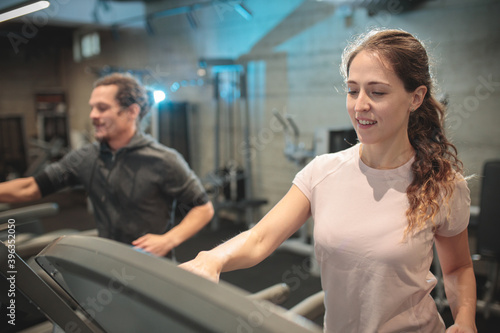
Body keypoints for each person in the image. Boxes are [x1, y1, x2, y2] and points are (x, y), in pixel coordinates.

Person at [179, 29, 477, 333]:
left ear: (415, 97)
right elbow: (259, 239)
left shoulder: (442, 183)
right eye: (352, 90)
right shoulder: (322, 172)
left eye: (377, 92)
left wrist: (465, 320)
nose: (360, 105)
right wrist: (210, 259)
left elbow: (457, 268)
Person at [0, 73, 214, 257]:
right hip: (108, 261)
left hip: (152, 266)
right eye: (93, 108)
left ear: (132, 112)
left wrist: (168, 240)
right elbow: (31, 187)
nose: (93, 115)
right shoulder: (86, 157)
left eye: (102, 108)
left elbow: (203, 208)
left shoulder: (164, 160)